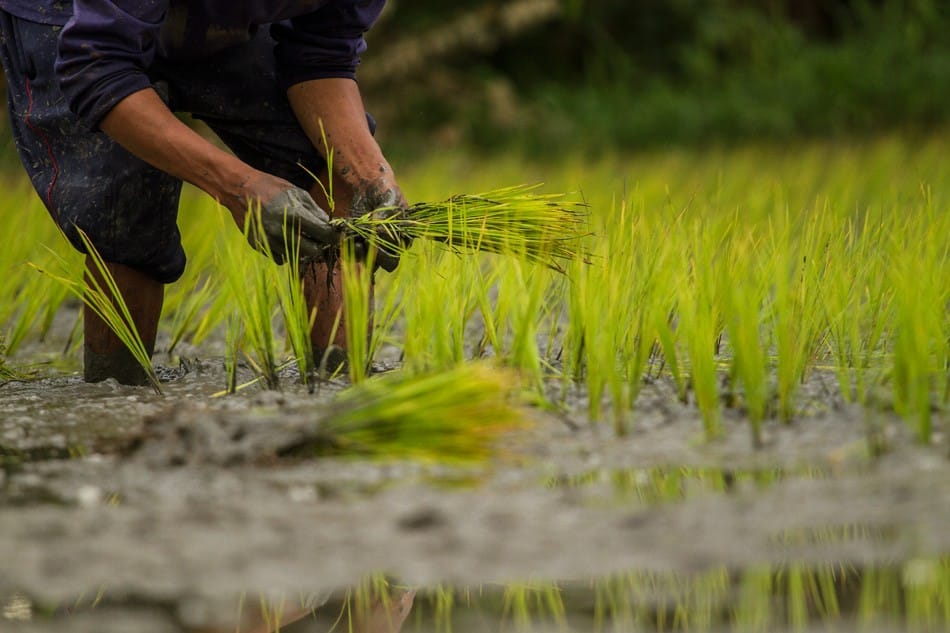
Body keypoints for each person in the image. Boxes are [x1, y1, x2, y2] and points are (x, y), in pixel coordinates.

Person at [0, 0, 406, 384]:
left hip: (214, 14)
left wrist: (372, 173)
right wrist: (237, 186)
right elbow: (99, 68)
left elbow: (322, 54)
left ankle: (339, 386)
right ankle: (116, 401)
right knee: (123, 206)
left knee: (334, 168)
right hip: (77, 22)